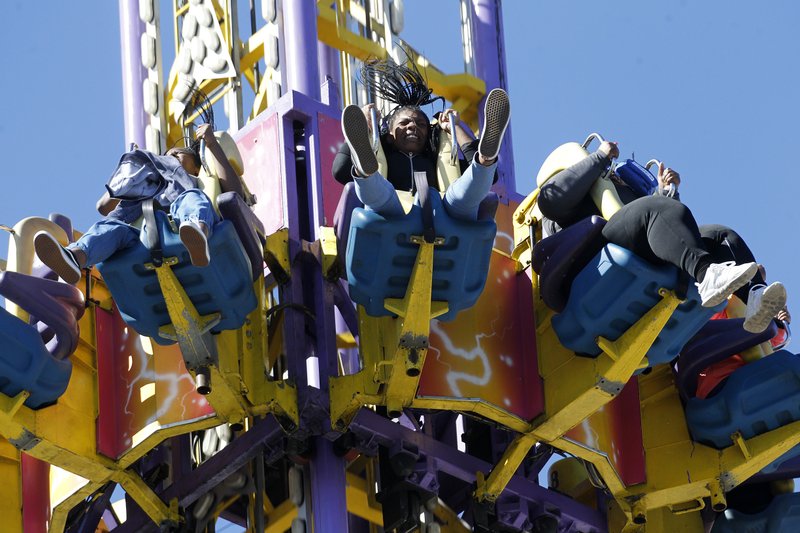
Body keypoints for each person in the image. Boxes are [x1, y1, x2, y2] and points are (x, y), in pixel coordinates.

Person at [537, 140, 787, 332]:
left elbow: (667, 226)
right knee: (658, 209)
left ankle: (754, 296)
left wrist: (666, 192)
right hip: (591, 254)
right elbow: (551, 201)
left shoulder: (634, 200)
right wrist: (600, 156)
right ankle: (706, 275)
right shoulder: (577, 187)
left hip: (637, 245)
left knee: (720, 235)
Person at [34, 123, 246, 284]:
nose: (168, 158)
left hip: (180, 226)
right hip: (141, 240)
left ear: (195, 167)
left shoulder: (197, 183)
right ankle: (75, 257)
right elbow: (103, 208)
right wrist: (131, 174)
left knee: (191, 200)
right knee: (110, 228)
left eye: (176, 155)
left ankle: (198, 235)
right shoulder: (148, 188)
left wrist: (211, 144)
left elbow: (235, 193)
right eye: (166, 156)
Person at [332, 57, 511, 222]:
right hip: (392, 216)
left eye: (420, 124)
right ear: (389, 136)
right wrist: (365, 127)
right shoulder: (387, 156)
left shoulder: (435, 161)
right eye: (404, 123)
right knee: (379, 194)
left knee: (463, 195)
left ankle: (486, 158)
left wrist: (454, 127)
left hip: (445, 216)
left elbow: (492, 177)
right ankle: (367, 170)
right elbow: (340, 170)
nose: (413, 126)